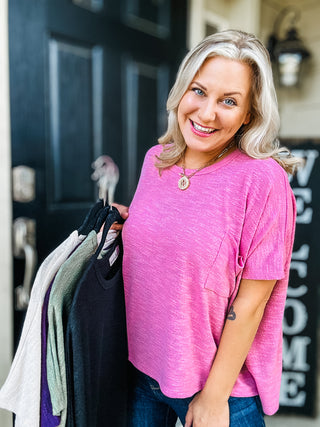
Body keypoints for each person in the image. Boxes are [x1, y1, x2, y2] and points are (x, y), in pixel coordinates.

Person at [114, 29, 302, 427]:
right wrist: (129, 224)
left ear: (249, 113)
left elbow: (251, 303)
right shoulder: (157, 160)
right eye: (198, 91)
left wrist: (214, 398)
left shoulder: (262, 180)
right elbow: (179, 237)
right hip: (140, 369)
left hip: (218, 386)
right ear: (182, 92)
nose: (206, 113)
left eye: (229, 101)